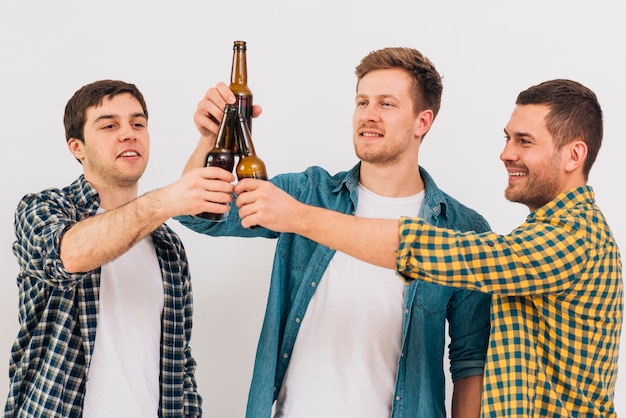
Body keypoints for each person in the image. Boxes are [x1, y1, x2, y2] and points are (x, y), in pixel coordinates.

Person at [235, 78, 624, 417]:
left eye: (524, 141)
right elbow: (202, 215)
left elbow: (438, 255)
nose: (506, 153)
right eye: (507, 138)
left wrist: (298, 218)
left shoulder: (574, 238)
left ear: (575, 155)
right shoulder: (537, 234)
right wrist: (213, 140)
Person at [177, 47, 492, 417]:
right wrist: (211, 139)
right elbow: (199, 214)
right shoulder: (308, 192)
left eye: (387, 104)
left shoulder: (463, 230)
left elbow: (470, 360)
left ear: (422, 121)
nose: (368, 115)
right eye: (362, 102)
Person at [4, 79, 234, 417]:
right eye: (109, 125)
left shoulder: (167, 245)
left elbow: (178, 362)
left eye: (137, 123)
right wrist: (166, 200)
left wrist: (208, 141)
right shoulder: (44, 209)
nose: (128, 133)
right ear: (76, 147)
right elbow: (69, 255)